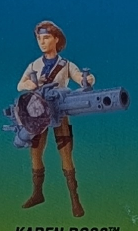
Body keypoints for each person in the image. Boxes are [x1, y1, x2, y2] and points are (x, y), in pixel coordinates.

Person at [17, 20, 94, 216]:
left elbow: (80, 78)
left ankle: (75, 200)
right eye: (39, 38)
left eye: (46, 38)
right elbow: (20, 84)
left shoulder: (65, 65)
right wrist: (29, 85)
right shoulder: (34, 65)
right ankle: (37, 194)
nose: (42, 42)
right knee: (35, 154)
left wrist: (87, 79)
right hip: (37, 113)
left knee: (66, 156)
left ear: (56, 39)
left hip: (60, 110)